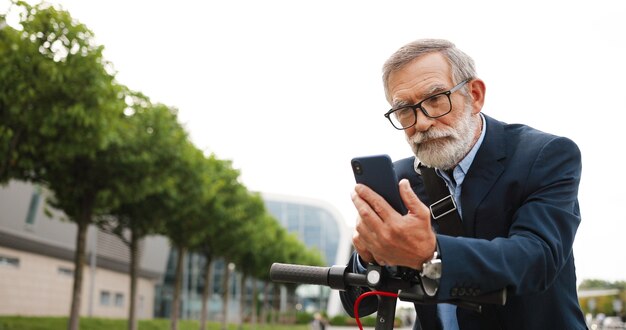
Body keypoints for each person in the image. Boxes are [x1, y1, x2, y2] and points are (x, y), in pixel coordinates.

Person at [339, 38, 587, 329]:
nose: (421, 123)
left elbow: (537, 259)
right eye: (405, 109)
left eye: (435, 99)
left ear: (475, 95)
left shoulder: (546, 156)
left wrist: (430, 253)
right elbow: (360, 301)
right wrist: (369, 256)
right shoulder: (400, 178)